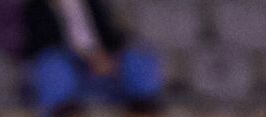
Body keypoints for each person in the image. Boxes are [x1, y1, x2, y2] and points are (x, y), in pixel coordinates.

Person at [23, 0, 162, 110]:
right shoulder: (36, 7)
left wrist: (112, 56)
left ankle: (144, 114)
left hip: (103, 59)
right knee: (52, 67)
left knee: (139, 58)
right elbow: (43, 43)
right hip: (67, 61)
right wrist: (89, 58)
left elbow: (112, 35)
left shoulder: (92, 4)